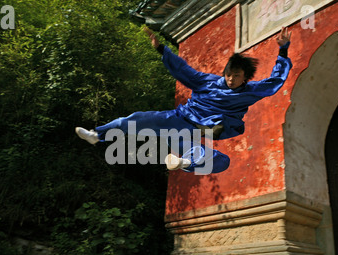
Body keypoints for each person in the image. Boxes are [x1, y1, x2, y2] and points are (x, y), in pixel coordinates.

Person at [76, 27, 292, 174]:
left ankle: (186, 162)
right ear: (224, 73)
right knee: (136, 119)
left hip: (207, 127)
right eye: (229, 74)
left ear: (245, 77)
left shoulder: (251, 90)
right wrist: (162, 49)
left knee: (220, 161)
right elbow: (183, 70)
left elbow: (275, 81)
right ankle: (97, 136)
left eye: (237, 76)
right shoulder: (207, 81)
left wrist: (283, 49)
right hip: (179, 119)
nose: (231, 79)